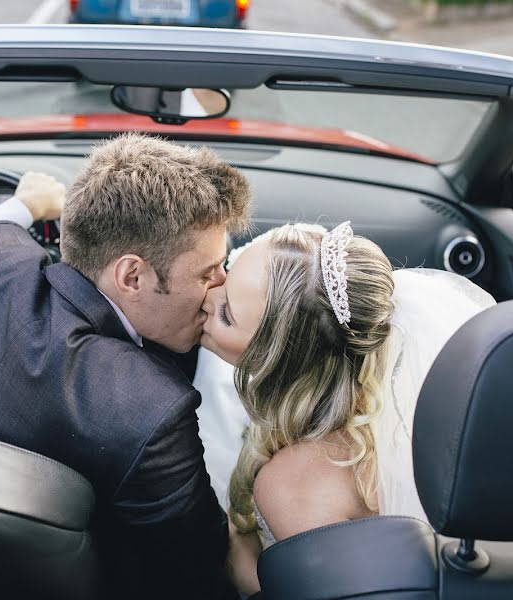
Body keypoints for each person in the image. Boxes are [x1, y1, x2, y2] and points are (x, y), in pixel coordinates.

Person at [0, 133, 252, 599]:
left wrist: (26, 203)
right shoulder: (149, 410)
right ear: (132, 276)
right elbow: (195, 567)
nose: (221, 285)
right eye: (208, 272)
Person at [195, 222, 495, 595]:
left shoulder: (292, 485)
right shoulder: (380, 417)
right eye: (228, 273)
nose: (206, 297)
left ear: (282, 362)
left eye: (227, 314)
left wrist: (240, 559)